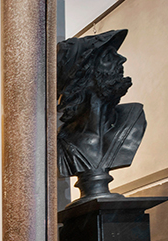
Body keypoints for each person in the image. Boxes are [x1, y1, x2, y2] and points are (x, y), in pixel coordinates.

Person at [57, 28, 146, 200]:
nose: (121, 60)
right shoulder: (62, 146)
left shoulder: (134, 119)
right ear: (83, 75)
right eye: (107, 57)